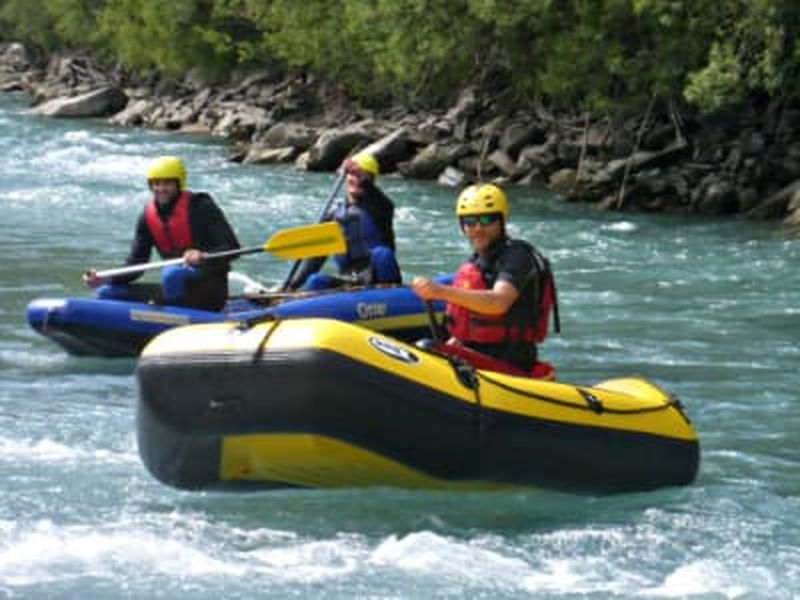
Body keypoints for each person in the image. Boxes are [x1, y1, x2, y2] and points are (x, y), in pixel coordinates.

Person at [411, 183, 558, 375]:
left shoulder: (517, 257)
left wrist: (439, 291)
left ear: (501, 222)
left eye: (487, 220)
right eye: (470, 221)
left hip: (510, 361)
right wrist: (457, 340)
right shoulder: (476, 262)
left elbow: (498, 302)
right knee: (429, 350)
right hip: (479, 356)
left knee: (426, 346)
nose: (478, 228)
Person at [83, 156, 240, 311]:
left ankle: (172, 314)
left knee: (172, 273)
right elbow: (136, 264)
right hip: (174, 290)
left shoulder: (201, 207)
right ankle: (165, 310)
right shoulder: (147, 217)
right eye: (156, 183)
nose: (161, 189)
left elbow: (232, 248)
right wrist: (106, 278)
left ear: (178, 184)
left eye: (167, 183)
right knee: (106, 292)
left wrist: (203, 256)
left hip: (209, 292)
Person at [286, 152, 401, 290]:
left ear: (371, 181)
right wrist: (291, 286)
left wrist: (361, 177)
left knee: (382, 254)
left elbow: (374, 193)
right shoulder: (333, 215)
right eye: (352, 174)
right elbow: (315, 258)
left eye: (362, 175)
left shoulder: (381, 207)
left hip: (379, 276)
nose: (356, 179)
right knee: (316, 280)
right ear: (346, 177)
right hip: (350, 280)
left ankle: (391, 295)